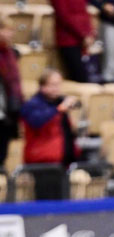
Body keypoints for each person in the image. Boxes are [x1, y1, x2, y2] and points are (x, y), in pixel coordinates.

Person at [20, 69, 80, 199]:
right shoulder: (32, 105)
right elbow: (37, 121)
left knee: (62, 201)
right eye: (52, 85)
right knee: (46, 200)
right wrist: (58, 110)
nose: (56, 89)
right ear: (43, 86)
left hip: (62, 161)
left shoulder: (59, 103)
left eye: (58, 84)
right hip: (43, 162)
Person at [50, 0, 95, 83]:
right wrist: (83, 34)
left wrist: (90, 33)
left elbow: (84, 12)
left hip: (83, 41)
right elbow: (64, 16)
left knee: (86, 77)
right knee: (79, 77)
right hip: (67, 41)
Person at [0, 16, 22, 167]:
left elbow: (14, 82)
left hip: (7, 111)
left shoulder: (10, 53)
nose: (10, 34)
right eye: (7, 30)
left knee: (2, 155)